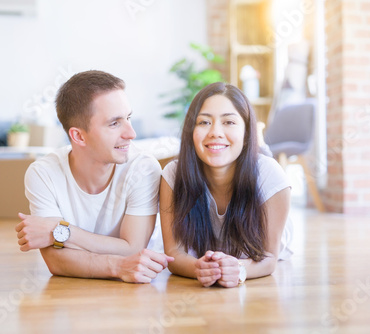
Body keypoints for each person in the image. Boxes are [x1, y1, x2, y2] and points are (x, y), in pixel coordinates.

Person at [15, 70, 173, 283]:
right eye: (114, 123)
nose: (131, 134)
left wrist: (59, 231)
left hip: (143, 289)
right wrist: (117, 266)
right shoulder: (43, 174)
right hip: (76, 297)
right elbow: (56, 261)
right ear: (78, 136)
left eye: (128, 118)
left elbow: (134, 248)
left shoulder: (143, 168)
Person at [159, 82, 293, 288]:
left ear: (247, 133)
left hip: (259, 237)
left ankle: (258, 146)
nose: (215, 132)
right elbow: (174, 253)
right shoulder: (173, 175)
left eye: (229, 122)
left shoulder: (271, 176)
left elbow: (268, 258)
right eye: (204, 122)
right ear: (190, 131)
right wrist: (198, 268)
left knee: (261, 163)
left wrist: (239, 269)